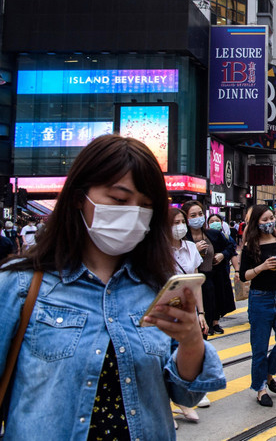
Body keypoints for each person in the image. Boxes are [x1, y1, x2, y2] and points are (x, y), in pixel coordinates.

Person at [0, 135, 226, 439]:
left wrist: (190, 342)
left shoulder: (157, 287)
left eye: (145, 206)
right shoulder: (20, 285)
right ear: (80, 196)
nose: (132, 213)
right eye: (119, 200)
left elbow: (186, 396)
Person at [238, 204, 276, 406]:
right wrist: (261, 267)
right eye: (264, 219)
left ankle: (269, 373)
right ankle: (260, 388)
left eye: (271, 218)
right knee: (260, 348)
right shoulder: (250, 246)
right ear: (256, 223)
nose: (269, 222)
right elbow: (243, 276)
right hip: (259, 299)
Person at [169, 206, 210, 424]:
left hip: (188, 311)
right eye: (174, 223)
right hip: (166, 312)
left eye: (181, 222)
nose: (180, 227)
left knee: (187, 355)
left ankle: (185, 398)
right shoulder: (159, 250)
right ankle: (172, 406)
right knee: (166, 357)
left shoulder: (191, 248)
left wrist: (200, 312)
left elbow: (196, 284)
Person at [182, 202, 237, 336]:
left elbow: (231, 247)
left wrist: (222, 255)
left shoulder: (213, 234)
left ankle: (213, 324)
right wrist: (195, 250)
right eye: (193, 215)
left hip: (213, 278)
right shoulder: (182, 238)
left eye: (200, 214)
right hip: (191, 283)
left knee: (212, 306)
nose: (198, 218)